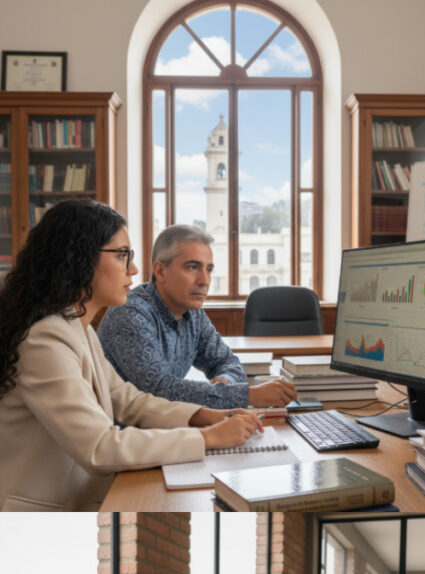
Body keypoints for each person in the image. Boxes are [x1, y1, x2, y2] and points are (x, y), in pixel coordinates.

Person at [0, 199, 261, 511]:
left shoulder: (78, 328)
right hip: (41, 514)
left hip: (83, 495)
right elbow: (99, 447)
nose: (134, 269)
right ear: (79, 258)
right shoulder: (45, 338)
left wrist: (202, 415)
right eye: (122, 255)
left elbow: (125, 398)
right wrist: (209, 438)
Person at [97, 224, 297, 409]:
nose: (204, 280)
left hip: (162, 428)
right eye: (192, 267)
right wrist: (246, 396)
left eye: (208, 269)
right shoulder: (131, 313)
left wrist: (224, 384)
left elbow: (228, 362)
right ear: (160, 271)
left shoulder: (193, 313)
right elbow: (159, 391)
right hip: (121, 432)